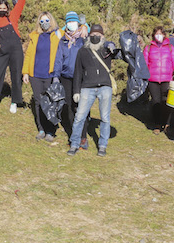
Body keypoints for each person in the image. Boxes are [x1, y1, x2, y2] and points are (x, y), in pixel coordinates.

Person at [67, 24, 119, 157]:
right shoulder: (83, 51)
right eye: (93, 35)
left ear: (102, 36)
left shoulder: (107, 50)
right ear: (89, 36)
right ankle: (74, 143)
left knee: (105, 118)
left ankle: (102, 145)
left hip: (104, 87)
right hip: (87, 87)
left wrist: (112, 45)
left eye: (99, 35)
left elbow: (121, 54)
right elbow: (78, 72)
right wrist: (76, 91)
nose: (95, 37)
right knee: (79, 117)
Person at [23, 12, 63, 140]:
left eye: (47, 21)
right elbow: (28, 55)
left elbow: (74, 29)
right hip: (35, 74)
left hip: (50, 74)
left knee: (51, 102)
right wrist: (25, 72)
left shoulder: (57, 34)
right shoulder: (35, 36)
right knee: (38, 102)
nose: (44, 23)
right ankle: (41, 129)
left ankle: (50, 130)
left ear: (51, 21)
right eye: (42, 21)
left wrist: (84, 27)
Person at [53, 11, 88, 148]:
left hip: (81, 78)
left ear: (78, 23)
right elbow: (58, 59)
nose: (71, 24)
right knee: (70, 108)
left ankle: (83, 136)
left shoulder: (83, 39)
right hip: (66, 77)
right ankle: (74, 137)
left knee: (81, 107)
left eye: (74, 21)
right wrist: (56, 76)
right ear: (66, 24)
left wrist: (85, 26)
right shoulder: (63, 40)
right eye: (69, 22)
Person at [143, 26, 174, 134]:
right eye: (156, 33)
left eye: (160, 33)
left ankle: (167, 123)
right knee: (155, 102)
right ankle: (157, 124)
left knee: (166, 102)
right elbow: (145, 64)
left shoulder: (170, 48)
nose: (158, 35)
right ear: (153, 35)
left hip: (167, 79)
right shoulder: (148, 48)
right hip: (152, 79)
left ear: (164, 35)